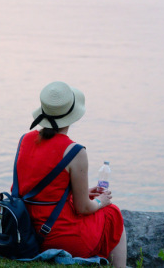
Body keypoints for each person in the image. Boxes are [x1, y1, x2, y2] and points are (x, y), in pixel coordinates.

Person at [15, 81, 127, 268]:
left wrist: (80, 192)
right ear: (73, 116)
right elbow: (83, 208)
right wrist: (101, 201)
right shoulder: (75, 151)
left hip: (24, 230)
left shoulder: (25, 140)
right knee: (112, 213)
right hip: (57, 235)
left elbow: (39, 189)